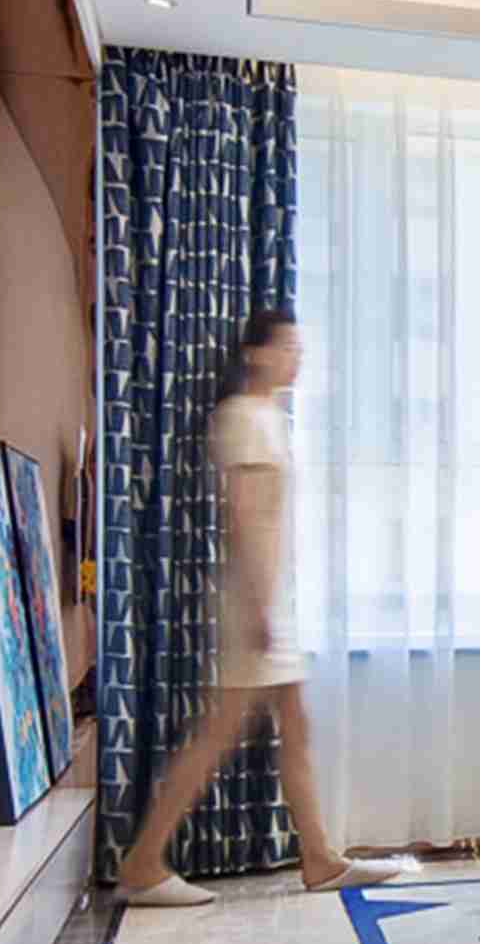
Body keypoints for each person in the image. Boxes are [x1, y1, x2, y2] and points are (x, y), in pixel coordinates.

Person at [117, 307, 407, 905]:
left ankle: (319, 858)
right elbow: (247, 520)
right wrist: (259, 608)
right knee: (216, 735)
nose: (295, 359)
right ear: (255, 353)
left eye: (299, 350)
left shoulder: (269, 418)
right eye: (286, 348)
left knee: (294, 726)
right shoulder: (244, 418)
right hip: (254, 599)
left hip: (271, 596)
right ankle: (143, 864)